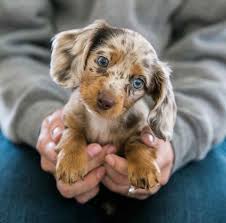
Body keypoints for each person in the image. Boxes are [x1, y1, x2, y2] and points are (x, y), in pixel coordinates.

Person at [0, 0, 226, 222]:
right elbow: (12, 41)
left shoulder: (147, 110)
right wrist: (49, 124)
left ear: (154, 92)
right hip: (36, 99)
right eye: (102, 61)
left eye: (137, 83)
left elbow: (215, 47)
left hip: (194, 106)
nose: (109, 95)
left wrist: (169, 142)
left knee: (194, 214)